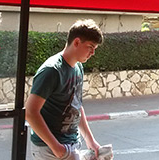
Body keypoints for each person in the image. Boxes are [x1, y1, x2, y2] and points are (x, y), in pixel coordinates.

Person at [26, 19, 104, 159]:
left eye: (95, 49)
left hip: (71, 144)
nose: (92, 53)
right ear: (76, 42)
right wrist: (56, 148)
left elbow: (76, 106)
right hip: (50, 149)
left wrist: (90, 140)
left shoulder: (78, 67)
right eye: (90, 47)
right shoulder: (52, 70)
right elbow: (31, 112)